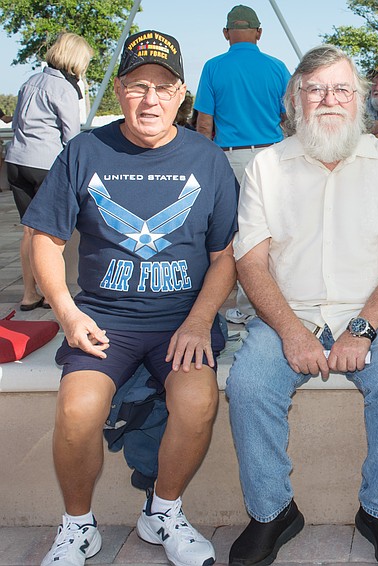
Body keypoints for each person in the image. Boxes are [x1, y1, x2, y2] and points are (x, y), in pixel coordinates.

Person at [24, 30, 238, 566]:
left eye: (163, 88)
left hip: (181, 321)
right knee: (77, 410)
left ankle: (162, 510)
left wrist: (199, 320)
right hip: (103, 320)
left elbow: (224, 257)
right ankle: (78, 526)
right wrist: (67, 313)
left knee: (196, 402)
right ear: (118, 90)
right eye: (138, 85)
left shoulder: (208, 159)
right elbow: (45, 240)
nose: (150, 100)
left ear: (182, 94)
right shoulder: (84, 151)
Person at [225, 44, 378, 566]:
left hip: (371, 315)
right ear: (296, 100)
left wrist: (362, 328)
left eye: (341, 89)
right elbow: (250, 264)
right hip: (286, 313)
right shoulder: (265, 167)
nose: (328, 100)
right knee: (249, 383)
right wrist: (291, 332)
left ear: (359, 99)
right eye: (315, 90)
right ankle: (272, 511)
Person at [194, 4, 291, 325]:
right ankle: (273, 302)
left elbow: (204, 125)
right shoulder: (277, 67)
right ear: (259, 33)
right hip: (273, 157)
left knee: (235, 233)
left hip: (228, 158)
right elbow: (291, 118)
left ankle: (243, 305)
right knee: (273, 230)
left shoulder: (213, 67)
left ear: (226, 34)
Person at [5, 32, 93, 312]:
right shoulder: (64, 88)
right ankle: (55, 292)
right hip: (45, 164)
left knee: (29, 231)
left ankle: (29, 294)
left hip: (17, 161)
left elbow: (17, 122)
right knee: (53, 234)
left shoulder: (30, 81)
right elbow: (71, 136)